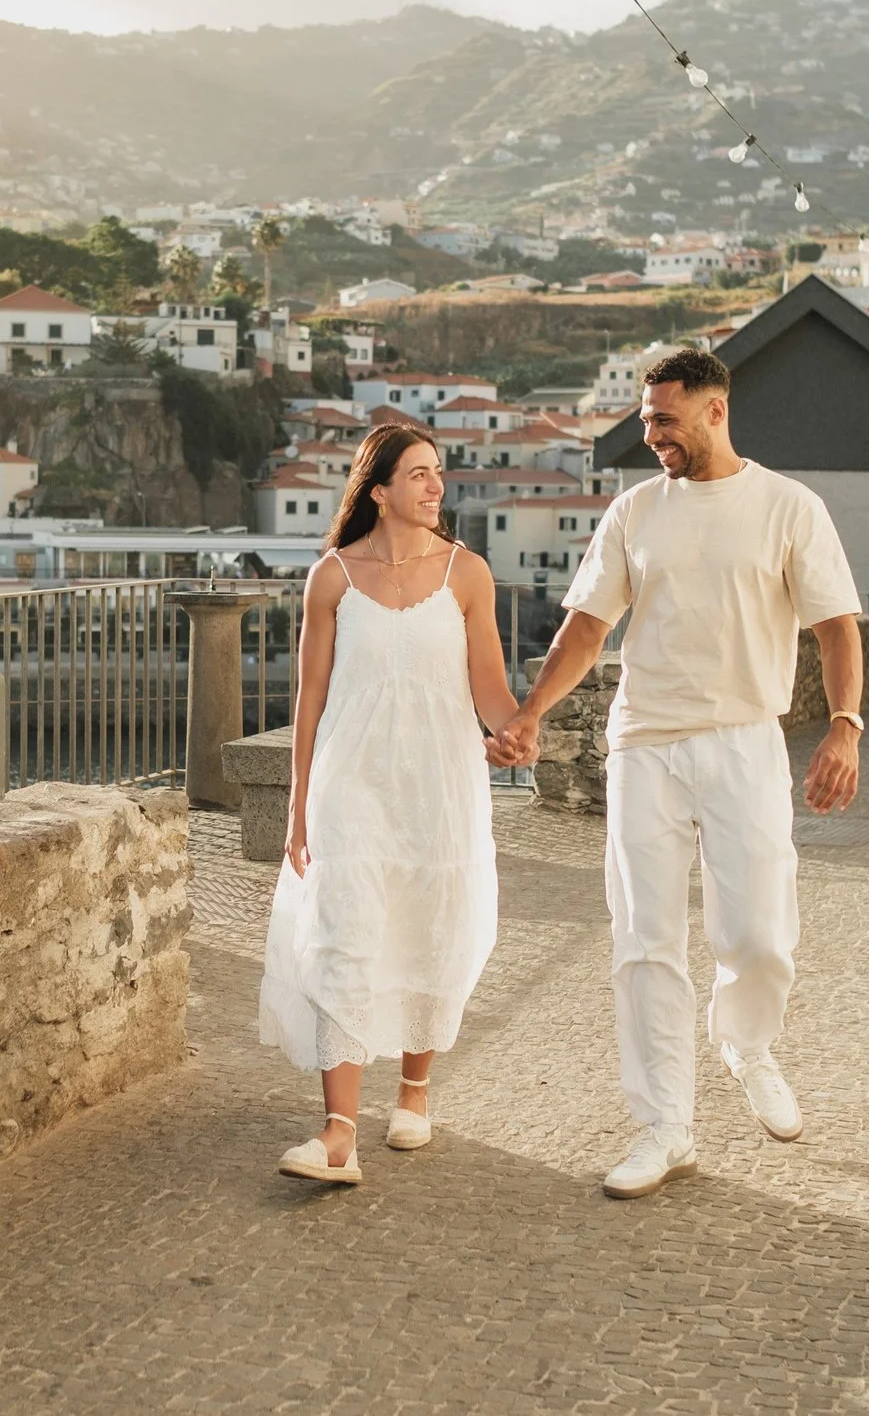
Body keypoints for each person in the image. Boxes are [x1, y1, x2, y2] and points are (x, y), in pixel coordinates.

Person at [494, 348, 864, 1199]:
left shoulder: (787, 507)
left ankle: (745, 1041)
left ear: (715, 411)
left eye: (664, 418)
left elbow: (838, 627)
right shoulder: (633, 512)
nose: (649, 433)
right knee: (644, 938)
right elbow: (586, 630)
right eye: (646, 419)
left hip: (743, 740)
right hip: (645, 746)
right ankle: (666, 1124)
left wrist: (844, 726)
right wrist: (530, 713)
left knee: (759, 931)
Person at [261, 424, 520, 1185]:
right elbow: (308, 702)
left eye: (437, 473)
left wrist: (517, 732)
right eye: (417, 475)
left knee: (431, 927)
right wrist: (297, 806)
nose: (435, 486)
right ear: (378, 491)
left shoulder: (468, 575)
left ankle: (414, 1089)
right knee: (346, 937)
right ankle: (338, 1134)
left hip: (439, 785)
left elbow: (491, 691)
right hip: (352, 785)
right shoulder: (332, 578)